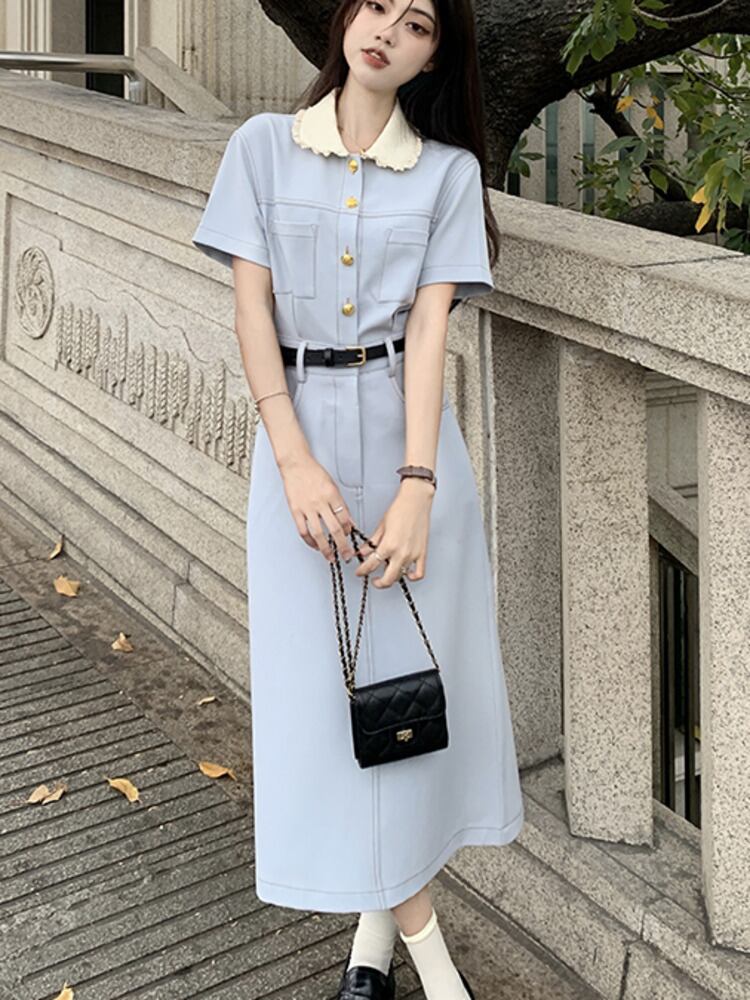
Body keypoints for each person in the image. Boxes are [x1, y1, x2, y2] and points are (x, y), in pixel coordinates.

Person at [191, 1, 524, 997]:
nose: (387, 29)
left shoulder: (447, 175)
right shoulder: (260, 148)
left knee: (404, 704)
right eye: (377, 5)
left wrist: (419, 487)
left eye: (416, 22)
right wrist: (294, 463)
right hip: (298, 447)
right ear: (347, 16)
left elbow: (429, 336)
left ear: (433, 56)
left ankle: (372, 947)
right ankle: (434, 964)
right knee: (328, 700)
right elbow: (251, 309)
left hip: (408, 451)